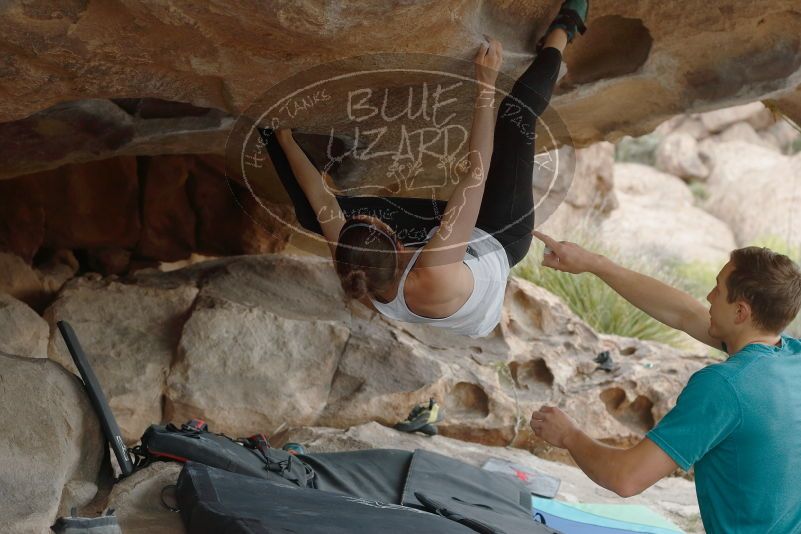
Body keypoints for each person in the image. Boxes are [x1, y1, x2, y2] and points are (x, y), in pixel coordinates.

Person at [260, 0, 590, 338]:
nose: (376, 217)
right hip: (502, 237)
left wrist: (281, 138)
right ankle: (563, 31)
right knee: (514, 116)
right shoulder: (435, 267)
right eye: (380, 225)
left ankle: (266, 133)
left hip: (448, 260)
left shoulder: (356, 267)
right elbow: (477, 172)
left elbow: (321, 200)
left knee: (312, 215)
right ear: (401, 243)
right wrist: (485, 82)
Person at [529, 231, 801, 533]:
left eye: (717, 290)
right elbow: (684, 313)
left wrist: (568, 435)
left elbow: (626, 478)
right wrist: (595, 263)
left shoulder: (725, 387)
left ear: (740, 312)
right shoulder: (790, 357)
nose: (709, 297)